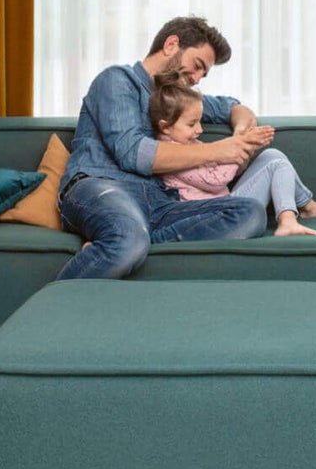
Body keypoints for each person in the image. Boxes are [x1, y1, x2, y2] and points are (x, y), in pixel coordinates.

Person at [56, 16, 273, 281]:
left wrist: (240, 134)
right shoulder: (117, 80)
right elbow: (132, 153)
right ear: (171, 45)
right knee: (128, 238)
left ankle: (130, 245)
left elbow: (234, 107)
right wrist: (221, 150)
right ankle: (53, 305)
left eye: (204, 74)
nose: (197, 79)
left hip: (159, 202)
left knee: (250, 213)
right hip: (100, 187)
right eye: (197, 66)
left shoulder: (176, 99)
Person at [149, 75, 316, 237]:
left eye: (200, 122)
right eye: (192, 124)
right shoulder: (169, 154)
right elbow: (216, 180)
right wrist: (239, 146)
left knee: (273, 155)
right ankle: (289, 219)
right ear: (165, 127)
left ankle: (305, 207)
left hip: (229, 201)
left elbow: (230, 171)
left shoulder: (190, 142)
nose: (200, 129)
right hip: (222, 213)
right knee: (276, 165)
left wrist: (247, 151)